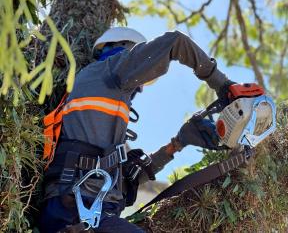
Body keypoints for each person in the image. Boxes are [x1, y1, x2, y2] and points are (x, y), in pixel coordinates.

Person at [39, 27, 237, 232]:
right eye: (142, 79)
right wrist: (224, 85)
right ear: (124, 49)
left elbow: (128, 180)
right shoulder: (108, 70)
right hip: (75, 210)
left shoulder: (102, 122)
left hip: (84, 212)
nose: (140, 87)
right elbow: (175, 42)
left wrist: (176, 144)